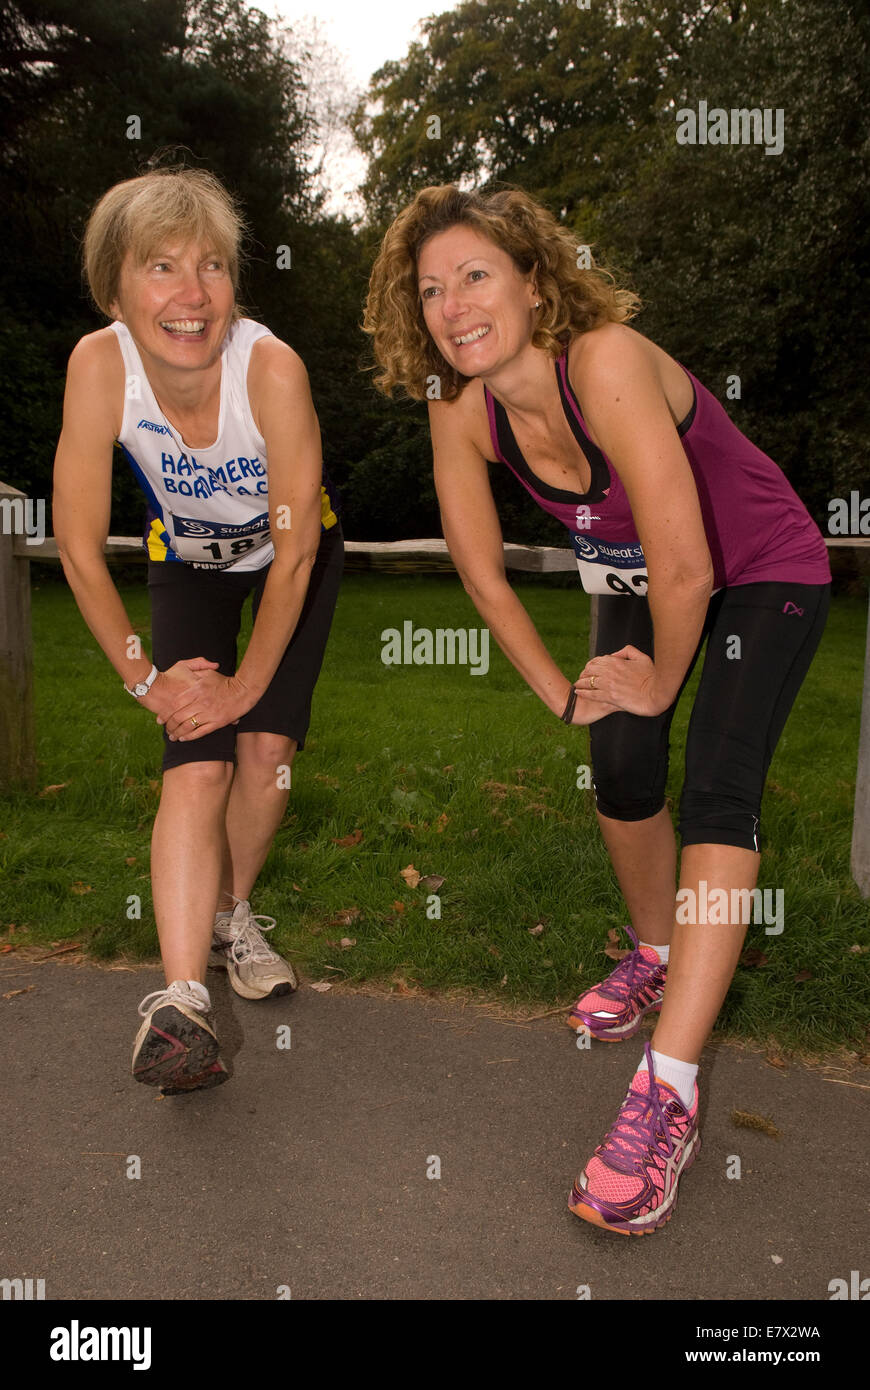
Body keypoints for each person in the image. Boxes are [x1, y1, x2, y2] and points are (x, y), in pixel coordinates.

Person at [363, 184, 831, 1234]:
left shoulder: (607, 360)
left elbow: (688, 562)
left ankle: (668, 1091)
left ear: (532, 281)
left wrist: (662, 681)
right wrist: (558, 688)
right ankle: (657, 954)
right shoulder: (459, 406)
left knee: (717, 789)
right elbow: (480, 570)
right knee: (622, 772)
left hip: (761, 566)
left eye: (476, 275)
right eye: (431, 289)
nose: (453, 304)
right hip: (637, 575)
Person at [53, 167, 344, 1094]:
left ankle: (233, 916)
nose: (193, 294)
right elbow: (75, 544)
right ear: (116, 292)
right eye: (163, 268)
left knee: (262, 754)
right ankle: (181, 1004)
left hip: (295, 557)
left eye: (213, 267)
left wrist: (246, 685)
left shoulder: (272, 369)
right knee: (199, 755)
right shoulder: (100, 367)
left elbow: (293, 556)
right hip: (187, 562)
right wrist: (148, 681)